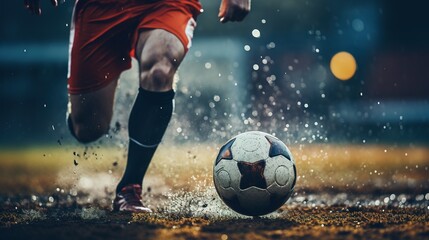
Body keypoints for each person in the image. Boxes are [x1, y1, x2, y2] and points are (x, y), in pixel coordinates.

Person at [24, 0, 251, 212]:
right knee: (88, 128)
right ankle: (79, 114)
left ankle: (130, 186)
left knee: (160, 70)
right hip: (102, 7)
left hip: (166, 4)